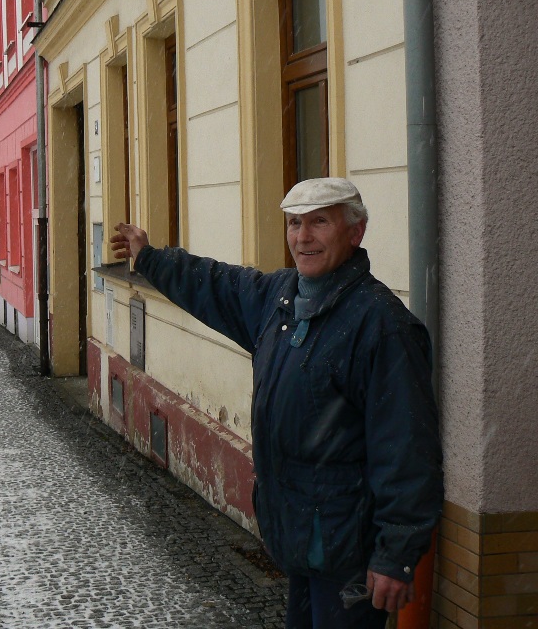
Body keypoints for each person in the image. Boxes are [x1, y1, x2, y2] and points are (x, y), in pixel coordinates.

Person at [109, 177, 443, 629]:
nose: (303, 237)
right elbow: (216, 285)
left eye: (319, 222)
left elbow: (407, 449)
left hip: (349, 551)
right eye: (294, 223)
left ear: (355, 232)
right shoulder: (280, 297)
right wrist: (149, 257)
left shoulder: (381, 325)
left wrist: (396, 555)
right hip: (297, 536)